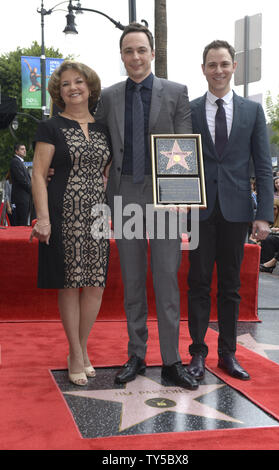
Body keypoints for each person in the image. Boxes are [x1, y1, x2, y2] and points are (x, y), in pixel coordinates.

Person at [95, 22, 198, 390]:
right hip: (124, 198)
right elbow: (97, 143)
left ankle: (171, 360)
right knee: (134, 281)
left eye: (141, 50)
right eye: (128, 51)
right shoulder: (108, 97)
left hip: (165, 201)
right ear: (122, 56)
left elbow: (184, 146)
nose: (135, 57)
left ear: (152, 53)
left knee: (167, 280)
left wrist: (181, 199)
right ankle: (136, 354)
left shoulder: (176, 92)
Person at [187, 40, 274, 381]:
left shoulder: (252, 112)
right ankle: (196, 354)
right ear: (204, 68)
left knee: (231, 286)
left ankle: (227, 354)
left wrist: (263, 213)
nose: (219, 70)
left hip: (238, 211)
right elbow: (179, 159)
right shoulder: (189, 109)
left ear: (234, 66)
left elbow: (263, 165)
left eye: (224, 63)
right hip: (199, 211)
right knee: (197, 283)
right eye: (212, 64)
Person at [30, 60, 112, 386]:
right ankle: (76, 353)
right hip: (62, 212)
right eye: (66, 84)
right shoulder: (51, 127)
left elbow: (109, 171)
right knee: (69, 283)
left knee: (94, 284)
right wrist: (44, 219)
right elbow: (38, 173)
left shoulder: (105, 128)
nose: (73, 87)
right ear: (58, 91)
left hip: (96, 215)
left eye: (79, 81)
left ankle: (82, 346)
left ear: (90, 87)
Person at [259, 198, 279, 268]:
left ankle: (267, 265)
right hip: (269, 238)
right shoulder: (267, 217)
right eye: (271, 208)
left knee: (268, 239)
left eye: (274, 209)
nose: (272, 211)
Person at [10, 143, 32, 226]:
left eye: (25, 149)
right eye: (22, 149)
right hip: (20, 199)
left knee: (24, 222)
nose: (25, 150)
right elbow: (21, 180)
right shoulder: (15, 162)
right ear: (16, 151)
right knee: (21, 223)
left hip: (25, 198)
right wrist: (33, 190)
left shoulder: (20, 162)